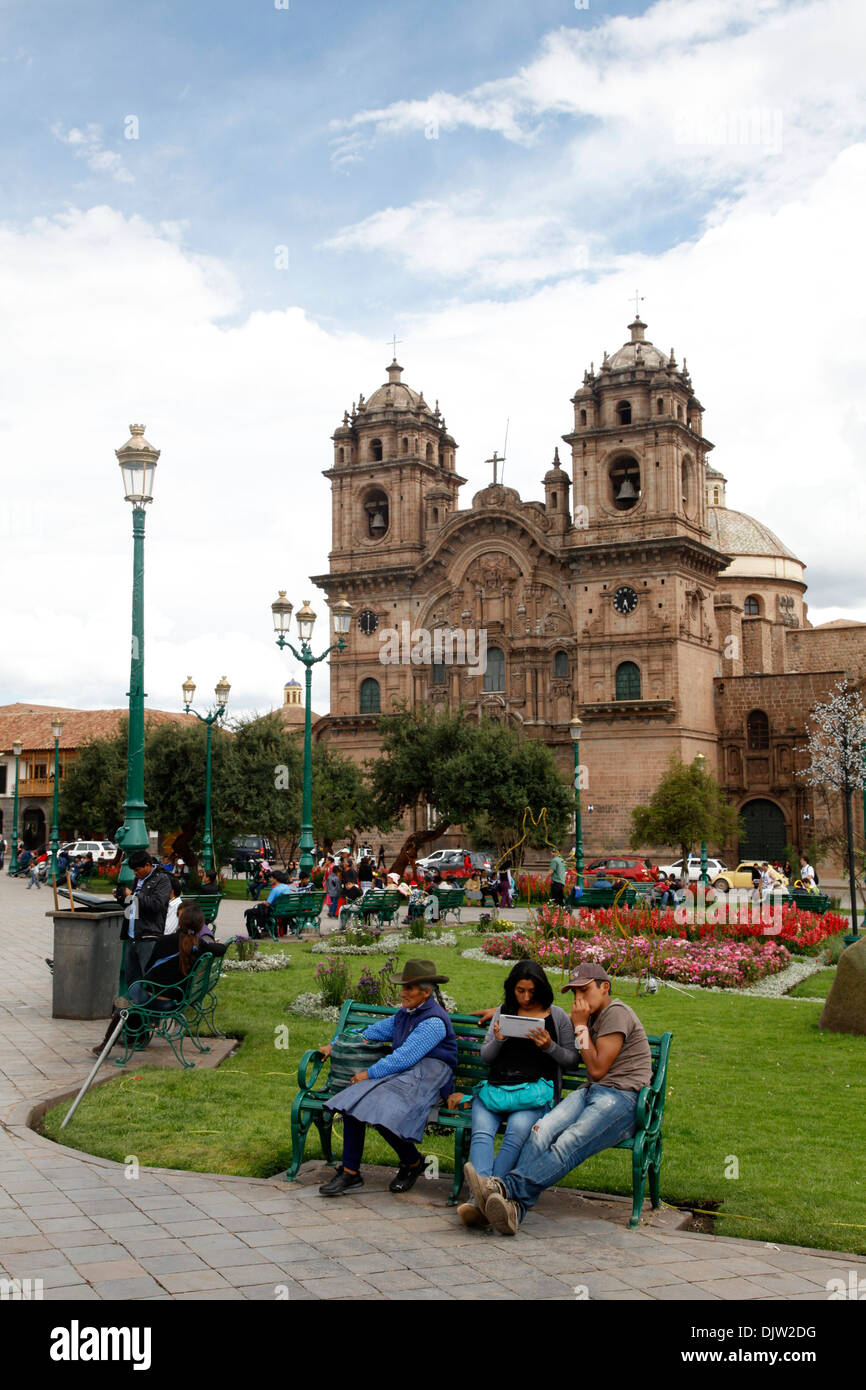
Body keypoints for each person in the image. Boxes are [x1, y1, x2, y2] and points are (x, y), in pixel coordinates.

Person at [463, 963, 652, 1236]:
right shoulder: (593, 1016)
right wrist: (502, 1014)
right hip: (593, 1091)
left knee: (567, 1143)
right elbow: (591, 1069)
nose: (579, 1000)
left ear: (605, 987)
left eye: (584, 991)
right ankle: (513, 1210)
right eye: (574, 993)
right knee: (540, 1132)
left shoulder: (616, 1013)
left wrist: (579, 1027)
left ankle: (502, 1189)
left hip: (622, 1098)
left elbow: (596, 1068)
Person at [448, 961, 578, 1228]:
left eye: (531, 991)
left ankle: (485, 1199)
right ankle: (482, 1202)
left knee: (516, 1132)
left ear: (541, 989)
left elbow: (572, 1059)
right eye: (520, 991)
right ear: (512, 989)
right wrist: (499, 1039)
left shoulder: (557, 1016)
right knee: (482, 1133)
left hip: (533, 1093)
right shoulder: (504, 1012)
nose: (527, 998)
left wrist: (549, 1046)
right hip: (496, 1089)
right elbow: (486, 1057)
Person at [317, 959, 458, 1197]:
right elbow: (372, 1032)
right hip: (405, 1075)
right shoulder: (405, 1014)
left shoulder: (434, 1021)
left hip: (429, 1080)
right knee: (354, 1101)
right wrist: (334, 1045)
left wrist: (368, 1074)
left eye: (409, 988)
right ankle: (351, 1172)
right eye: (402, 987)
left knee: (379, 1106)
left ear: (426, 992)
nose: (402, 993)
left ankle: (412, 1163)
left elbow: (405, 1056)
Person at [92, 903, 227, 1056]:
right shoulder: (199, 945)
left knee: (126, 1001)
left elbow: (148, 969)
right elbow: (221, 949)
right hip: (176, 1000)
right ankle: (136, 1035)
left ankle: (106, 1044)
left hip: (155, 999)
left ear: (180, 921)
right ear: (200, 926)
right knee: (136, 996)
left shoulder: (164, 941)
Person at [120, 850, 172, 986]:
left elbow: (156, 905)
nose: (135, 873)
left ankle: (148, 1006)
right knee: (132, 978)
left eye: (137, 870)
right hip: (132, 936)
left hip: (148, 935)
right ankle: (134, 1004)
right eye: (133, 871)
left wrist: (134, 895)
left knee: (148, 978)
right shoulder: (138, 879)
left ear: (148, 865)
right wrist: (122, 898)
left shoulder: (162, 879)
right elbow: (131, 905)